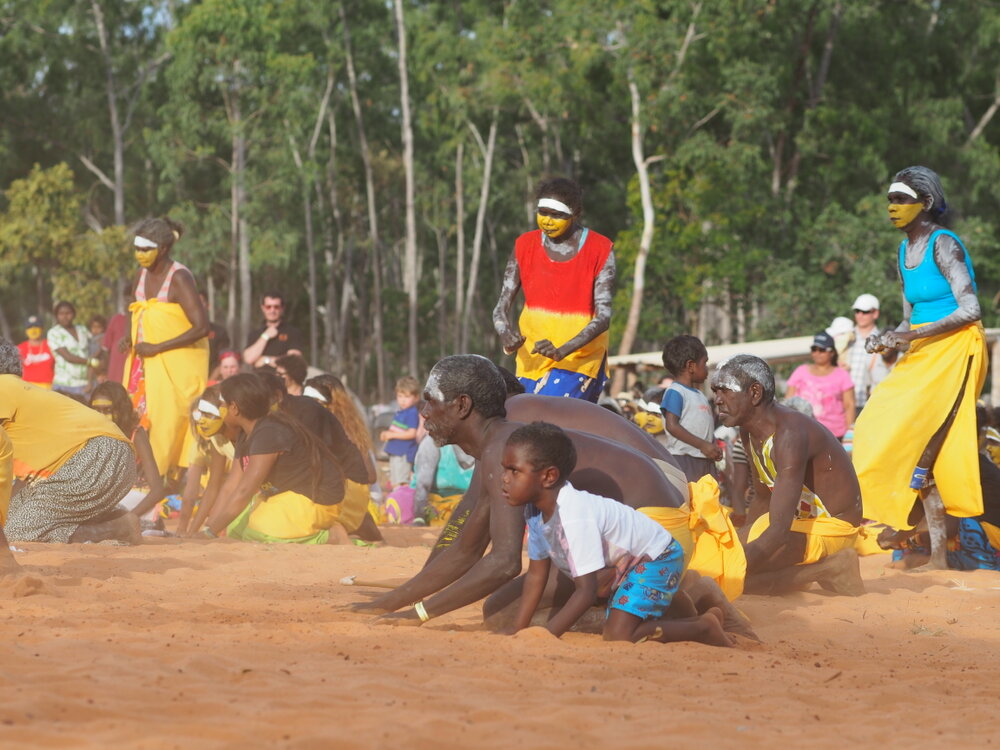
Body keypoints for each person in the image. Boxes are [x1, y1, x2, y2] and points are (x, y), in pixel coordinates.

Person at [356, 354, 690, 624]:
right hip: (658, 518)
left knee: (502, 612)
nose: (423, 413)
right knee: (506, 609)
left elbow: (503, 562)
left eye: (430, 402)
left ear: (461, 405)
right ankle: (660, 600)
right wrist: (395, 600)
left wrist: (417, 612)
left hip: (657, 532)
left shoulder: (507, 443)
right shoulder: (497, 442)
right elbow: (465, 542)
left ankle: (669, 608)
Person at [853, 166, 987, 569]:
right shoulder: (902, 252)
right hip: (925, 349)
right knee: (874, 423)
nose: (892, 208)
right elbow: (908, 318)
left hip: (957, 348)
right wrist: (887, 338)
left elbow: (971, 308)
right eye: (890, 200)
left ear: (925, 204)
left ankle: (914, 529)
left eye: (901, 200)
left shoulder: (944, 244)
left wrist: (910, 337)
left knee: (927, 444)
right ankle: (912, 529)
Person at [502, 421, 731, 646]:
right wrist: (518, 629)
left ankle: (703, 627)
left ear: (549, 477)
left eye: (514, 471)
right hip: (625, 563)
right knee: (621, 619)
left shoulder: (573, 515)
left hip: (656, 556)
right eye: (505, 469)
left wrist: (546, 637)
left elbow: (586, 592)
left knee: (619, 635)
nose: (504, 478)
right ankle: (684, 613)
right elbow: (536, 575)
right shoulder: (534, 512)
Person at [711, 354, 865, 596]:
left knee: (732, 577)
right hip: (794, 524)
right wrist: (743, 543)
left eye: (725, 391)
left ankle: (831, 566)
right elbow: (762, 498)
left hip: (831, 529)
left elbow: (779, 531)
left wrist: (737, 567)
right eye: (715, 391)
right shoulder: (748, 432)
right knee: (722, 558)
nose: (717, 400)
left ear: (754, 393)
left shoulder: (790, 433)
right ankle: (825, 569)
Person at [0, 339, 138, 544]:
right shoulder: (17, 390)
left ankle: (116, 528)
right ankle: (115, 520)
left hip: (99, 455)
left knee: (14, 531)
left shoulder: (3, 386)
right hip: (103, 460)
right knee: (10, 523)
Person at [492, 177, 614, 402]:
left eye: (557, 215)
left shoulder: (600, 248)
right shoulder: (524, 245)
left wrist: (562, 350)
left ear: (576, 214)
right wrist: (505, 334)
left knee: (552, 425)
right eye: (543, 212)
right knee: (527, 426)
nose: (547, 221)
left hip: (578, 359)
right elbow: (500, 307)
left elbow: (604, 317)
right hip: (531, 359)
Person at [199, 374, 351, 544]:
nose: (220, 408)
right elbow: (231, 486)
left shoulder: (269, 432)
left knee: (260, 531)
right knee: (235, 530)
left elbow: (244, 491)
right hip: (284, 496)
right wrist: (208, 528)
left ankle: (331, 536)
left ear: (234, 408)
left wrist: (210, 533)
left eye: (222, 404)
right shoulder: (245, 433)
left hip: (316, 499)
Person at [123, 217, 210, 479]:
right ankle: (140, 474)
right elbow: (137, 312)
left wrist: (159, 347)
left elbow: (202, 326)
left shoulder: (179, 277)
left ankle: (164, 477)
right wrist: (131, 337)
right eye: (137, 249)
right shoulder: (140, 274)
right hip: (145, 362)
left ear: (162, 249)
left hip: (177, 363)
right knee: (138, 416)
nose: (140, 254)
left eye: (145, 249)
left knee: (169, 419)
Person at [878, 406, 1000, 571]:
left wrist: (906, 539)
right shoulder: (947, 463)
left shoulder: (967, 466)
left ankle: (965, 562)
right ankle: (927, 558)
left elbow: (949, 525)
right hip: (973, 533)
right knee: (912, 537)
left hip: (989, 540)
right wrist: (899, 536)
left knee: (950, 528)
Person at [89, 381, 166, 521]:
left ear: (121, 410)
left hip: (135, 503)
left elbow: (157, 490)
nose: (100, 416)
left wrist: (129, 518)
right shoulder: (90, 434)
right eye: (96, 410)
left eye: (107, 410)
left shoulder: (135, 434)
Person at [659, 335, 722, 482]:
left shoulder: (700, 394)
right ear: (691, 366)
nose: (706, 369)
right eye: (704, 363)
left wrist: (712, 446)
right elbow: (672, 425)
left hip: (703, 459)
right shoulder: (676, 392)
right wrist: (703, 445)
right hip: (685, 461)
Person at [785, 332, 855, 441]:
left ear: (831, 352)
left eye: (821, 350)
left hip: (834, 435)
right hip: (803, 433)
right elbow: (788, 402)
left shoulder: (842, 375)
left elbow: (849, 405)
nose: (817, 353)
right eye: (814, 349)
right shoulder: (800, 371)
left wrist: (849, 435)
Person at [842, 294, 892, 412]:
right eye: (857, 311)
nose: (860, 315)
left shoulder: (882, 341)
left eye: (864, 312)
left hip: (869, 402)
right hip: (844, 401)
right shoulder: (845, 337)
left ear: (875, 314)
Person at [242, 292, 304, 369]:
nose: (272, 310)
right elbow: (248, 359)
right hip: (259, 380)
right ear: (263, 308)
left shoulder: (293, 333)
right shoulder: (255, 334)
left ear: (282, 308)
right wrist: (265, 336)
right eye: (268, 307)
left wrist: (266, 360)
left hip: (282, 379)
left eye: (276, 307)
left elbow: (294, 361)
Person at [380, 376, 421, 488]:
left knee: (401, 481)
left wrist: (392, 435)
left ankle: (402, 501)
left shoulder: (411, 413)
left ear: (416, 397)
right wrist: (387, 434)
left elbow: (412, 433)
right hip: (396, 452)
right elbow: (398, 429)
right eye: (400, 396)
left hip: (403, 453)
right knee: (395, 479)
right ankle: (397, 499)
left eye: (407, 397)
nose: (402, 400)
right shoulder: (402, 411)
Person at [47, 301, 91, 396]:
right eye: (61, 314)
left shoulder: (82, 329)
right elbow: (68, 357)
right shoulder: (54, 333)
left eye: (68, 313)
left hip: (85, 384)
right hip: (64, 384)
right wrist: (91, 362)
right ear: (56, 316)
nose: (65, 317)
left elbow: (94, 347)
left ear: (74, 314)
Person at [17, 315, 55, 389]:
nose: (33, 330)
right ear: (25, 331)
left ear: (42, 329)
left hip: (49, 388)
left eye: (36, 326)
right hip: (27, 388)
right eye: (29, 327)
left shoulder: (51, 345)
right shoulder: (19, 348)